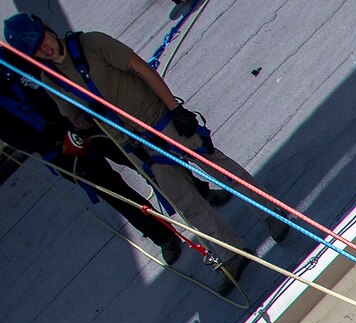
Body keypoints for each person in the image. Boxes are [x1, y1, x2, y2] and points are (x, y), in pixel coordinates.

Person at [3, 12, 285, 276]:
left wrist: (175, 108)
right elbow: (76, 119)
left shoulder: (92, 43)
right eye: (36, 49)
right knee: (186, 203)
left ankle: (271, 213)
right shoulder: (52, 80)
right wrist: (86, 119)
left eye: (42, 39)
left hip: (161, 120)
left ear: (47, 29)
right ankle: (231, 253)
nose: (44, 48)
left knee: (218, 168)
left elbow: (141, 69)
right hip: (135, 144)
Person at [0, 63, 183, 264]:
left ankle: (197, 193)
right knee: (114, 193)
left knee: (142, 160)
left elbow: (57, 79)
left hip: (83, 120)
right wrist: (58, 141)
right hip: (60, 150)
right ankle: (163, 236)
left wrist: (73, 127)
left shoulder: (14, 58)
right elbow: (15, 137)